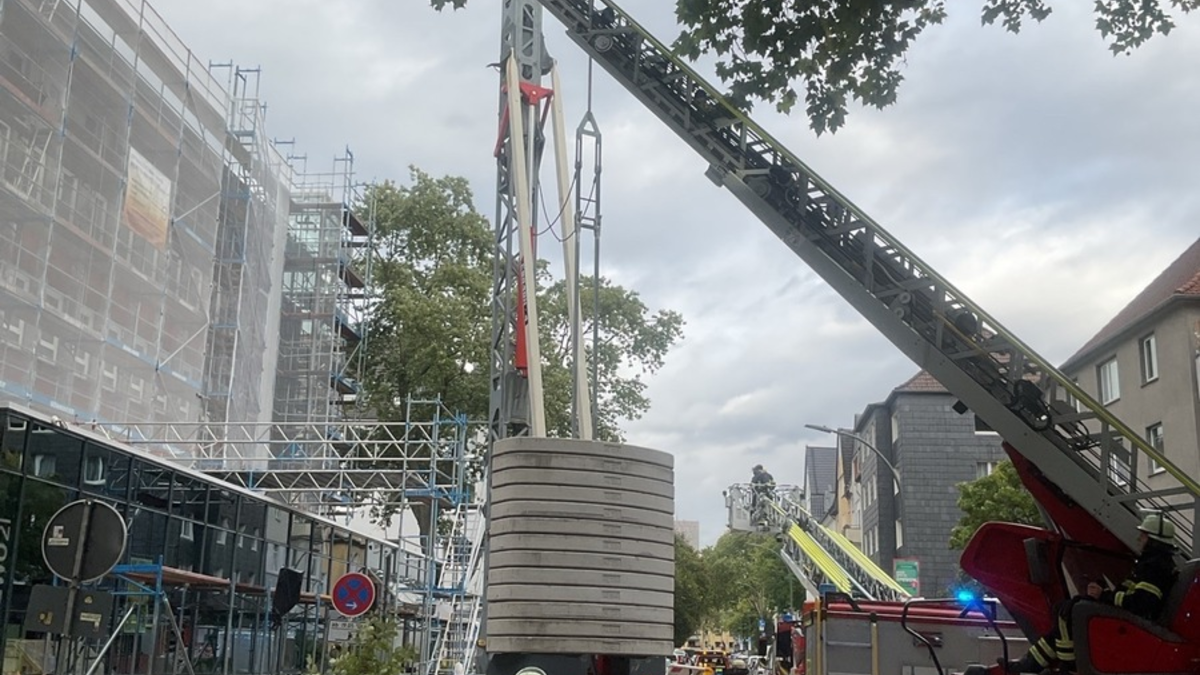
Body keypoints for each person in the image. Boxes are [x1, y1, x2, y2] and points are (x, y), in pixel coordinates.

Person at [1000, 512, 1179, 674]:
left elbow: (1142, 604)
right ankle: (1030, 663)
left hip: (1134, 622)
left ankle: (1069, 667)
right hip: (1131, 617)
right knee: (1068, 607)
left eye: (1144, 535)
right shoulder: (1154, 564)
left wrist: (1103, 596)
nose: (1140, 539)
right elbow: (1133, 596)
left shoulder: (1155, 566)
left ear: (1154, 540)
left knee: (1070, 611)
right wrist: (1104, 593)